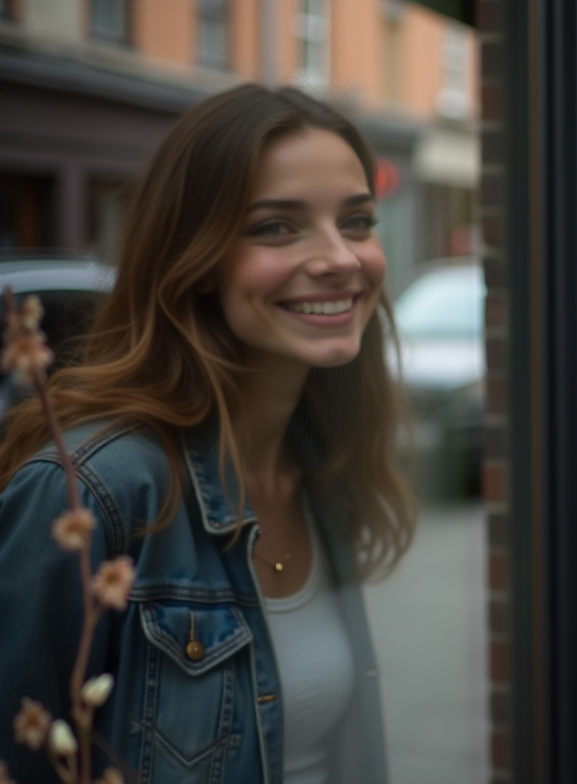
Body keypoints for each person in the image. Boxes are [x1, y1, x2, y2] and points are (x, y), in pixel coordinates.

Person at [0, 85, 414, 783]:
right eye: (276, 227)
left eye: (356, 221)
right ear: (194, 260)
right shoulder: (93, 493)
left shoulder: (319, 465)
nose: (340, 257)